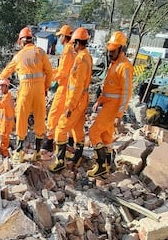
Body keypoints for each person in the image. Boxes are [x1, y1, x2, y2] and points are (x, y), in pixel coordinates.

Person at [0, 27, 53, 163]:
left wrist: (1, 78)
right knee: (40, 120)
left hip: (25, 91)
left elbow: (5, 73)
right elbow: (50, 72)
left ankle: (19, 153)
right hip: (40, 90)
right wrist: (46, 88)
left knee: (22, 119)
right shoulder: (40, 52)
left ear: (21, 42)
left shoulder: (18, 56)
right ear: (31, 40)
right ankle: (38, 152)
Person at [87, 31, 133, 178]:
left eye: (112, 51)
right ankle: (106, 167)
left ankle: (100, 166)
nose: (110, 54)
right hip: (108, 105)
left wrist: (119, 114)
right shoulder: (114, 65)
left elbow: (126, 93)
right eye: (109, 51)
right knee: (106, 137)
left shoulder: (125, 67)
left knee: (94, 132)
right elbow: (109, 89)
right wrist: (100, 100)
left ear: (121, 49)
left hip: (113, 108)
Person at [49, 27, 93, 172]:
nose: (72, 46)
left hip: (76, 101)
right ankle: (78, 156)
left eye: (74, 43)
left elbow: (76, 86)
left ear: (78, 43)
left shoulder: (80, 60)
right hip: (83, 99)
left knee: (61, 129)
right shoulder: (88, 56)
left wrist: (69, 106)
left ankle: (59, 161)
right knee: (77, 128)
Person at [44, 25, 74, 151]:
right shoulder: (73, 49)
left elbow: (62, 72)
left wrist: (48, 78)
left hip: (64, 87)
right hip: (71, 88)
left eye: (60, 36)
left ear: (64, 36)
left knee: (54, 113)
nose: (59, 39)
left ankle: (49, 141)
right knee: (68, 115)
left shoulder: (67, 50)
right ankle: (71, 140)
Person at [0, 78, 15, 157]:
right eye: (0, 86)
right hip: (5, 123)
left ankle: (5, 155)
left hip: (6, 124)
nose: (0, 88)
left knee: (4, 140)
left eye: (2, 86)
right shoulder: (6, 96)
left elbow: (1, 105)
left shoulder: (7, 97)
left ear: (6, 87)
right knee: (4, 139)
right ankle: (5, 153)